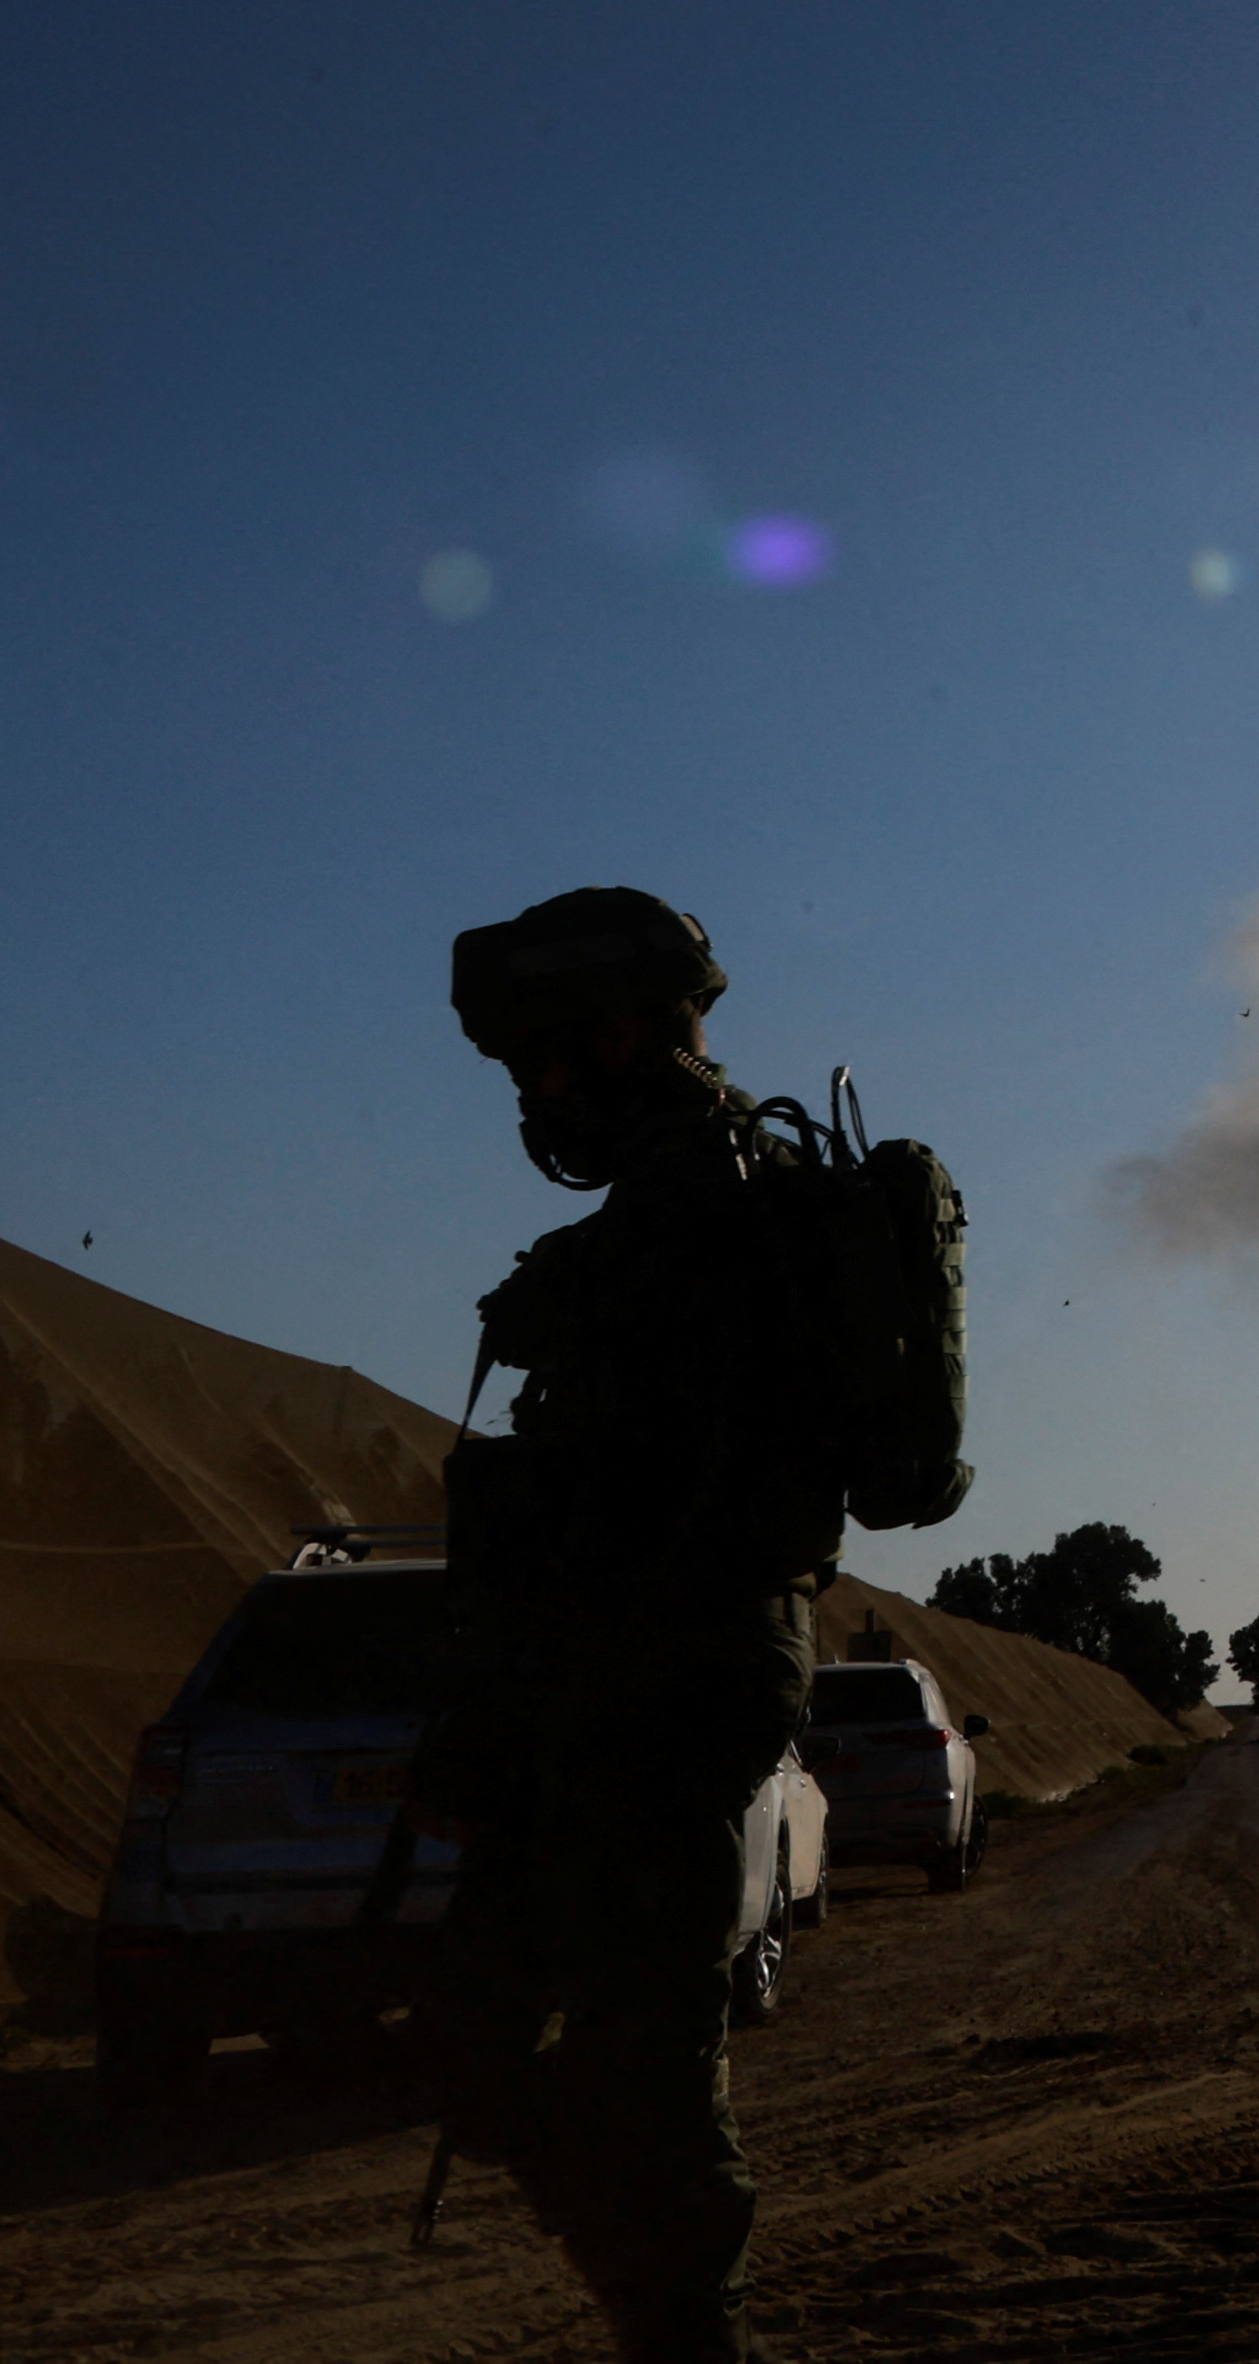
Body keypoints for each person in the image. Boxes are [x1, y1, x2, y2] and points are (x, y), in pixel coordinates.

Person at [426, 887, 856, 2364]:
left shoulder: (708, 1204)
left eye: (540, 1062)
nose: (535, 1099)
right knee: (513, 2053)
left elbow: (666, 1478)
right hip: (611, 1670)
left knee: (644, 2073)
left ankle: (684, 2330)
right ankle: (658, 2305)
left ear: (614, 1033)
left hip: (661, 1672)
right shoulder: (686, 1198)